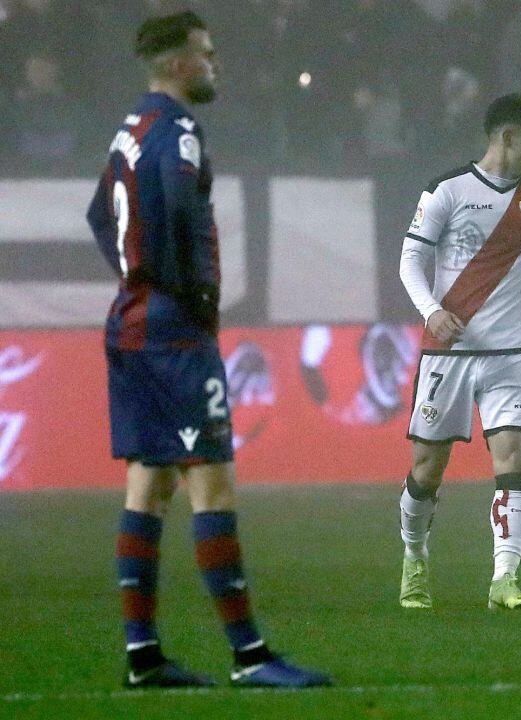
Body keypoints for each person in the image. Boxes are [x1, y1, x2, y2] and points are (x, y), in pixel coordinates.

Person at [86, 12, 330, 688]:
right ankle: (250, 656)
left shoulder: (130, 129)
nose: (214, 64)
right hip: (172, 333)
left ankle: (143, 656)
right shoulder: (178, 131)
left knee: (150, 482)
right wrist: (188, 292)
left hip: (131, 323)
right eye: (205, 54)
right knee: (211, 480)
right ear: (174, 64)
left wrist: (135, 276)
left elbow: (98, 217)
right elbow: (175, 204)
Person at [397, 93, 521, 610]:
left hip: (509, 356)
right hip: (449, 354)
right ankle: (415, 556)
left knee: (514, 456)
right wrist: (432, 311)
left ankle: (504, 579)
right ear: (506, 137)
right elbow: (410, 262)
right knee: (427, 469)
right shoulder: (446, 191)